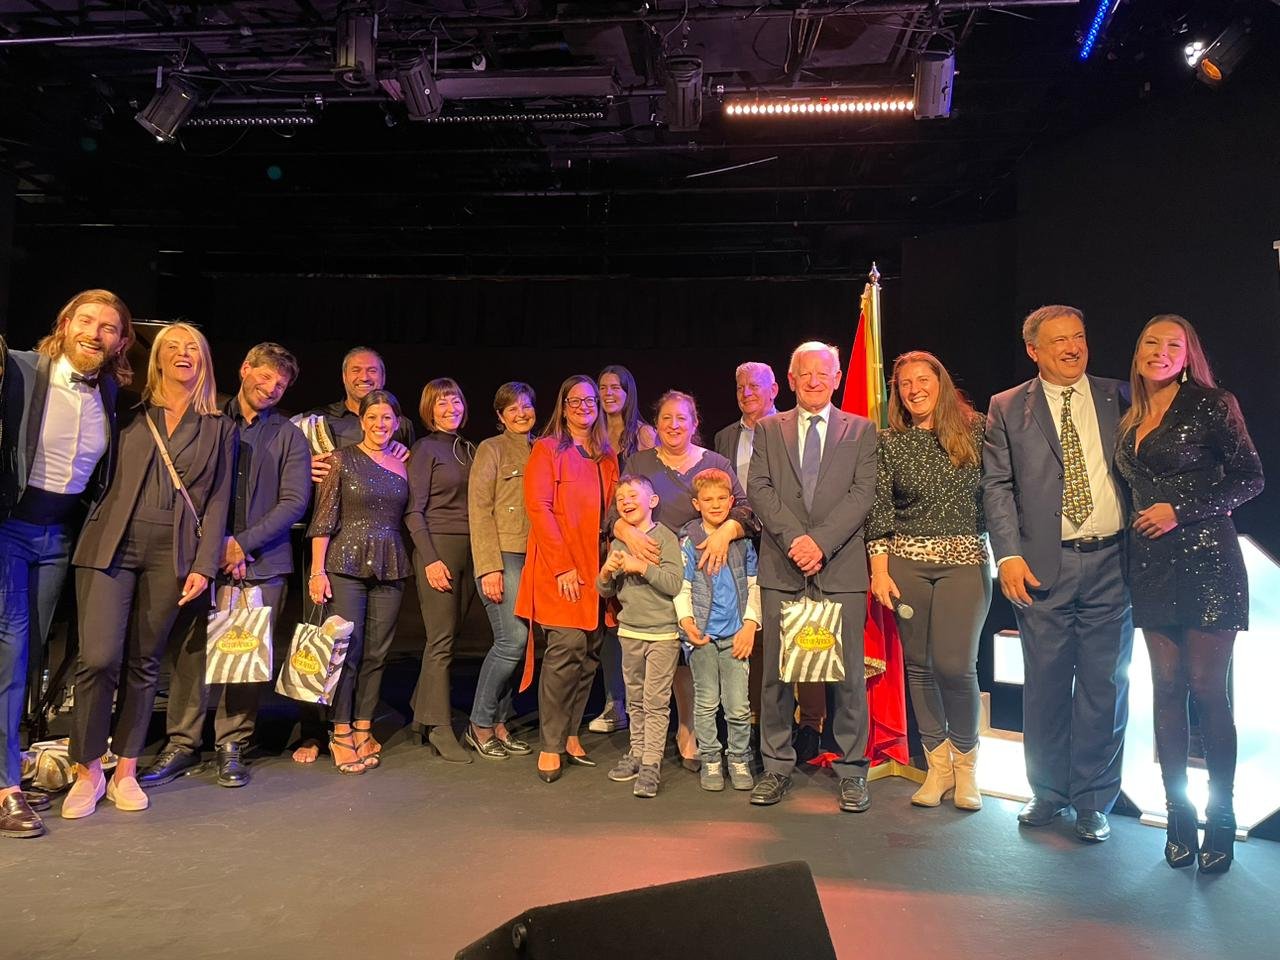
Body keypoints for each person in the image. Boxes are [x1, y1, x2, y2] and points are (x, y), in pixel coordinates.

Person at [62, 322, 236, 819]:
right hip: (111, 543)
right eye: (172, 347)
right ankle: (87, 770)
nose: (183, 354)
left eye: (192, 348)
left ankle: (126, 770)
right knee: (98, 658)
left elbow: (218, 501)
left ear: (203, 361)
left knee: (144, 664)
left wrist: (205, 564)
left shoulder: (219, 427)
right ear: (156, 358)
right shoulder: (126, 408)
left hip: (174, 552)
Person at [1114, 314, 1263, 872]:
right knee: (1167, 689)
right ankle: (1178, 817)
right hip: (1151, 566)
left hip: (1208, 562)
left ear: (1187, 355)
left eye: (1172, 345)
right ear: (1138, 351)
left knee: (1206, 690)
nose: (1160, 351)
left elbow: (1250, 478)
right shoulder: (1130, 416)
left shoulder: (1211, 404)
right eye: (1151, 342)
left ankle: (1220, 818)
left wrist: (1179, 510)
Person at [982, 305, 1132, 843]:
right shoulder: (1007, 406)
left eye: (1079, 337)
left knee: (1104, 685)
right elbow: (997, 486)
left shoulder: (1120, 395)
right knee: (1045, 684)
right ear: (1033, 351)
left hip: (1113, 561)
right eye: (1059, 341)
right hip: (1043, 566)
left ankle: (1093, 800)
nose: (1072, 348)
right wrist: (1007, 556)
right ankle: (1047, 791)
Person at [141, 343, 311, 790]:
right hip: (199, 558)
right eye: (265, 375)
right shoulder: (206, 416)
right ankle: (182, 742)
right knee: (191, 652)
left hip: (262, 563)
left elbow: (294, 502)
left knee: (245, 656)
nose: (271, 388)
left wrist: (241, 544)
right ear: (244, 369)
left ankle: (233, 743)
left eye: (281, 384)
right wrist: (212, 547)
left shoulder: (289, 435)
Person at [0, 290, 133, 839]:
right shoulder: (19, 369)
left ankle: (10, 764)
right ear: (64, 323)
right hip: (10, 525)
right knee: (11, 651)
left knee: (29, 657)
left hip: (59, 535)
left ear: (120, 342)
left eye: (109, 327)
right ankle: (6, 788)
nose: (94, 333)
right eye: (86, 320)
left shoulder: (110, 391)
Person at [746, 341, 878, 811]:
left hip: (840, 569)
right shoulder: (768, 429)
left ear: (837, 378)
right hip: (783, 567)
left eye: (824, 373)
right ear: (792, 379)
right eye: (805, 373)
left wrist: (820, 543)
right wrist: (796, 541)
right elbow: (758, 487)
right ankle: (776, 766)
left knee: (848, 676)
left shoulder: (862, 430)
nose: (814, 380)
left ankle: (852, 770)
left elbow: (863, 493)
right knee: (776, 675)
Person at [866, 351, 992, 811]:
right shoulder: (889, 442)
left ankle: (966, 768)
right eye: (905, 384)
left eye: (923, 380)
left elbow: (999, 493)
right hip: (907, 565)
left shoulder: (978, 430)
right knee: (919, 666)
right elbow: (879, 510)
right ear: (897, 393)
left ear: (941, 383)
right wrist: (880, 570)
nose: (914, 389)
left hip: (965, 561)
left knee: (956, 666)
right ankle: (937, 769)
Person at [614, 390, 759, 772]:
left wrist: (725, 532)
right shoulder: (640, 461)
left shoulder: (715, 463)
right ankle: (668, 734)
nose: (674, 425)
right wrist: (625, 532)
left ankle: (695, 730)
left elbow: (746, 510)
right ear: (656, 423)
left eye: (682, 418)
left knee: (697, 648)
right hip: (655, 574)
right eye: (666, 418)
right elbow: (616, 507)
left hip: (703, 574)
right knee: (669, 655)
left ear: (695, 424)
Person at [713, 361, 823, 762]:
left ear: (775, 388)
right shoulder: (725, 438)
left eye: (755, 386)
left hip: (794, 542)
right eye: (740, 386)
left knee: (805, 630)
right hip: (745, 543)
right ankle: (762, 721)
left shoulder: (793, 426)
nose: (747, 393)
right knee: (756, 633)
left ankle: (811, 723)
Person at [515, 375, 620, 784]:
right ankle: (550, 743)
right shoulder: (547, 449)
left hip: (597, 567)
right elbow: (538, 508)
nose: (583, 406)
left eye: (590, 400)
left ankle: (571, 733)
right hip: (560, 565)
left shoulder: (606, 456)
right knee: (568, 646)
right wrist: (563, 566)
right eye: (574, 400)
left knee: (591, 647)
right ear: (563, 406)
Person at [307, 390, 412, 775]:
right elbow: (323, 518)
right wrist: (317, 571)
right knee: (345, 651)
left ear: (396, 423)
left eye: (387, 418)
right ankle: (340, 732)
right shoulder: (341, 459)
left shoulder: (404, 462)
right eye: (372, 418)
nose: (379, 425)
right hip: (344, 563)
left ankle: (364, 728)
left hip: (390, 563)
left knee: (377, 652)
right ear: (361, 421)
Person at [674, 467, 761, 793]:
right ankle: (710, 757)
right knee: (706, 702)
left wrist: (750, 624)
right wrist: (686, 623)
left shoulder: (742, 543)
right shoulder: (689, 542)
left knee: (738, 705)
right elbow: (682, 588)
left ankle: (738, 757)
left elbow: (754, 585)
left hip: (735, 635)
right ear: (696, 504)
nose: (715, 504)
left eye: (722, 498)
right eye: (708, 499)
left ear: (731, 501)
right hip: (703, 638)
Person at [406, 378, 478, 764]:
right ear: (429, 409)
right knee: (441, 640)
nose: (451, 409)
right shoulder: (425, 449)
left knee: (452, 635)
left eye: (456, 401)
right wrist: (431, 558)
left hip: (471, 549)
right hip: (439, 548)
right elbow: (413, 511)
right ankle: (439, 727)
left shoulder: (469, 449)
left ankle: (421, 712)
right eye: (442, 403)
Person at [598, 475, 684, 798]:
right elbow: (606, 590)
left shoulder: (665, 538)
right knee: (634, 698)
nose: (626, 502)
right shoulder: (620, 542)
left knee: (655, 701)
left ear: (653, 501)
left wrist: (642, 567)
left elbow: (674, 583)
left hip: (662, 634)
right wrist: (607, 571)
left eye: (633, 495)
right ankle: (636, 751)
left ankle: (651, 763)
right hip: (630, 631)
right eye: (620, 498)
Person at [465, 382, 538, 760]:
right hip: (503, 556)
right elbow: (479, 511)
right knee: (512, 640)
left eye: (526, 406)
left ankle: (499, 723)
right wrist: (489, 567)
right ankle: (479, 724)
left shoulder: (543, 448)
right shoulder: (490, 449)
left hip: (536, 558)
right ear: (500, 416)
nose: (521, 413)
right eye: (512, 409)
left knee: (523, 645)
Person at [589, 364, 657, 737]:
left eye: (616, 387)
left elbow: (652, 485)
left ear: (628, 392)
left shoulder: (643, 434)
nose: (609, 393)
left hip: (633, 535)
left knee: (631, 618)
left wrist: (630, 530)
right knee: (607, 624)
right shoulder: (592, 433)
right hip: (596, 536)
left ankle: (643, 707)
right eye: (603, 387)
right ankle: (615, 704)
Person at [295, 346, 414, 483]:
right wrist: (300, 468)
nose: (364, 377)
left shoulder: (402, 424)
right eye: (356, 370)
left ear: (383, 377)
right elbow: (283, 465)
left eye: (372, 371)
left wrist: (410, 458)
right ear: (344, 377)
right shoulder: (315, 419)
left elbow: (413, 479)